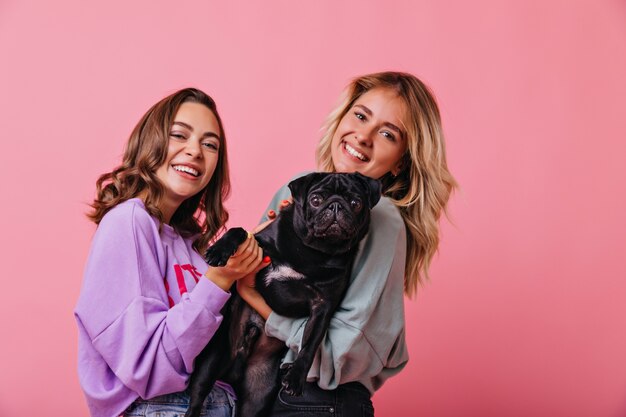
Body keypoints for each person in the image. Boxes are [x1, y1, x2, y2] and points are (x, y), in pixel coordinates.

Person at [236, 72, 457, 416]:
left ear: (401, 160)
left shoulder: (381, 217)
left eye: (387, 134)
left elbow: (334, 357)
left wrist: (253, 296)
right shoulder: (293, 193)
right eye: (360, 115)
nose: (364, 136)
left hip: (317, 400)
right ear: (341, 117)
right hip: (265, 391)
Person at [74, 88, 269, 417]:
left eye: (210, 144)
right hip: (163, 407)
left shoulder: (189, 243)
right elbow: (146, 366)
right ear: (151, 141)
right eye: (179, 135)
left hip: (216, 404)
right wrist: (218, 279)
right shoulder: (130, 220)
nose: (195, 151)